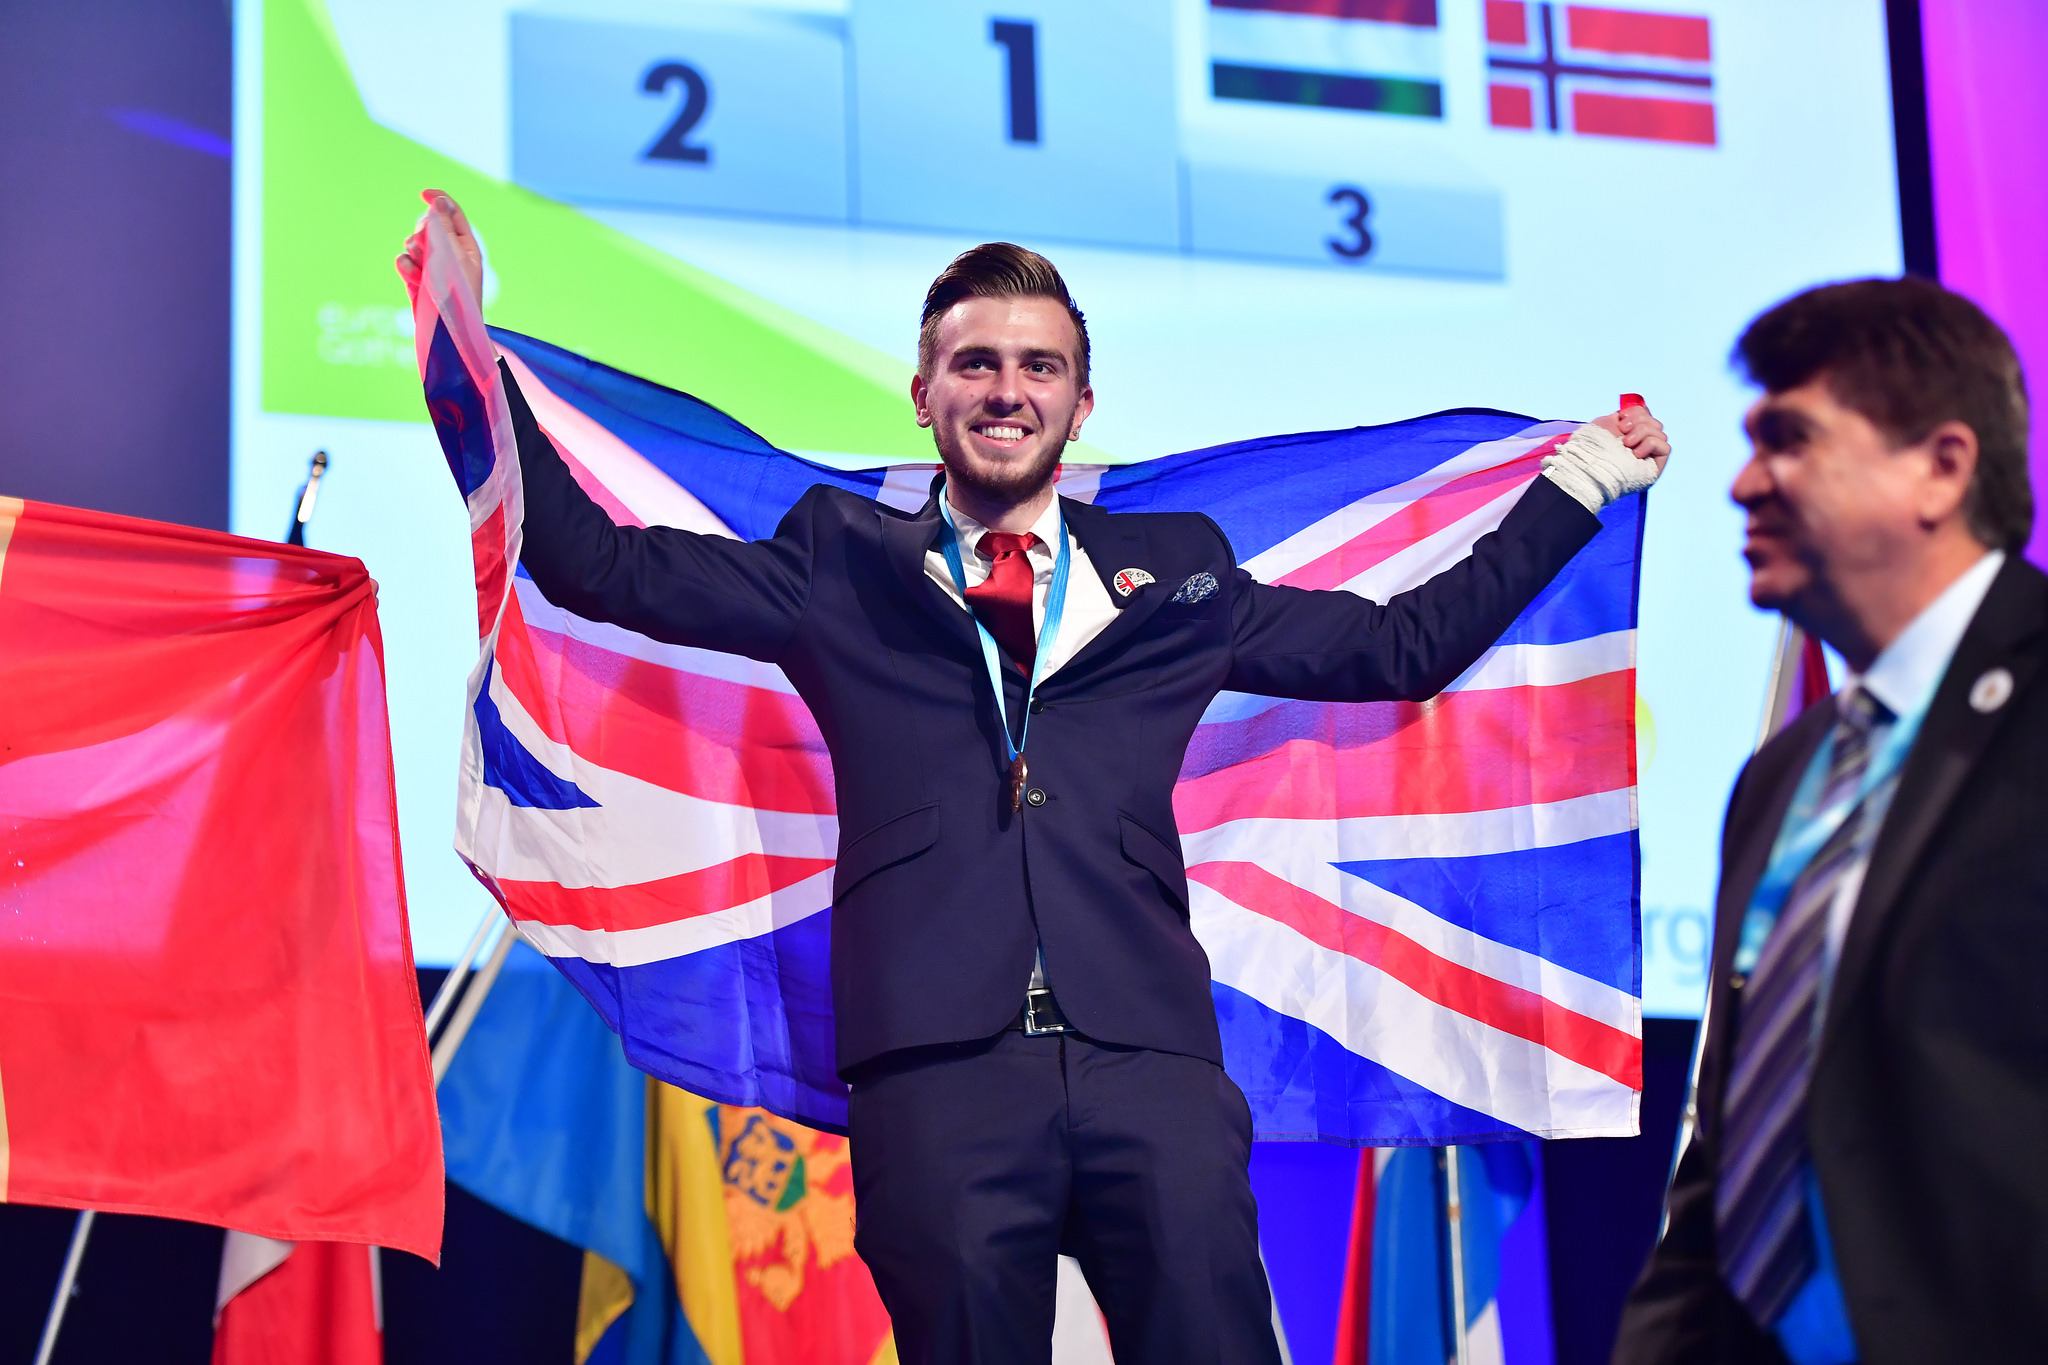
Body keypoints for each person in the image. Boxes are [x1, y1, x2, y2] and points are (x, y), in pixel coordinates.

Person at [399, 191, 1670, 1365]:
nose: (1007, 390)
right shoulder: (837, 561)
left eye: (1037, 367)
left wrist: (1578, 485)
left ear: (1079, 402)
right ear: (922, 392)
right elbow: (595, 567)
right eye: (976, 363)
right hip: (936, 1076)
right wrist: (466, 367)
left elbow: (1406, 648)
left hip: (1148, 1062)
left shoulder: (1177, 570)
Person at [1612, 277, 2047, 1365]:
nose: (1742, 482)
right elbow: (1724, 1163)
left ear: (1939, 468)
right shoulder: (1781, 778)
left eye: (1788, 440)